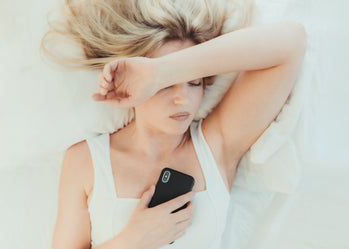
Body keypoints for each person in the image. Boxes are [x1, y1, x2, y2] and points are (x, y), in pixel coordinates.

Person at [40, 0, 307, 249]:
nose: (183, 99)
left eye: (194, 81)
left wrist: (162, 72)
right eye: (166, 87)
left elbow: (292, 42)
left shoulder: (216, 146)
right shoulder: (85, 161)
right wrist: (132, 240)